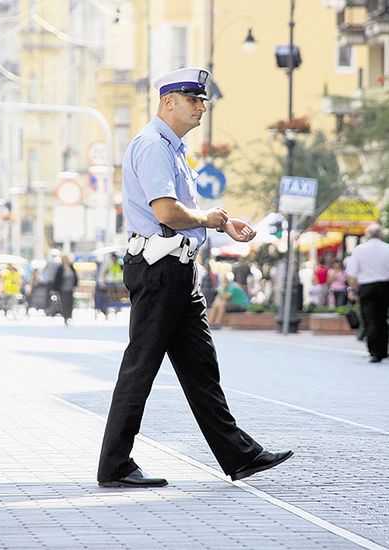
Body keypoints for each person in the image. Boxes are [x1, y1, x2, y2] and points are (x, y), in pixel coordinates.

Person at [97, 67, 293, 489]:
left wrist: (220, 224)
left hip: (177, 270)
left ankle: (239, 455)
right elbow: (167, 212)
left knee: (201, 368)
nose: (201, 106)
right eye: (193, 99)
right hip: (160, 268)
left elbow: (180, 213)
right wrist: (211, 218)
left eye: (202, 100)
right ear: (168, 102)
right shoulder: (153, 146)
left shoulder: (173, 148)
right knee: (140, 368)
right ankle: (114, 465)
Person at [346, 223, 389, 363]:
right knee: (382, 318)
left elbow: (352, 274)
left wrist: (351, 290)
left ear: (367, 235)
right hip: (385, 286)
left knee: (370, 319)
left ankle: (374, 351)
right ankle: (383, 350)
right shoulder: (387, 248)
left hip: (367, 287)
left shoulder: (360, 250)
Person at [52, 254, 78, 325]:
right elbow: (57, 278)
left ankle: (69, 316)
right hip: (62, 289)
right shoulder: (60, 268)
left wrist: (75, 285)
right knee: (64, 303)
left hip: (70, 288)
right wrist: (55, 289)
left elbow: (75, 277)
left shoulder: (71, 267)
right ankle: (65, 317)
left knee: (70, 302)